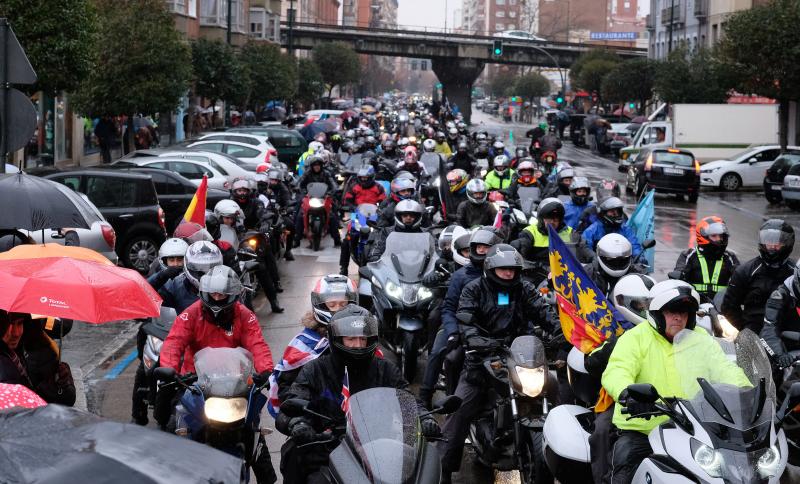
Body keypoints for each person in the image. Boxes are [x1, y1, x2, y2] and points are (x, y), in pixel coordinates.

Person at [602, 280, 751, 484]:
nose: (678, 317)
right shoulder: (635, 338)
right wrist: (627, 394)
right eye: (671, 311)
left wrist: (746, 393)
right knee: (626, 466)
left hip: (695, 429)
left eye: (684, 312)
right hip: (644, 428)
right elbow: (617, 371)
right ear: (656, 314)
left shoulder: (702, 339)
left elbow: (725, 369)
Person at [281, 306, 439, 483]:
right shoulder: (315, 370)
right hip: (328, 448)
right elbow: (292, 404)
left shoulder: (385, 369)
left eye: (362, 339)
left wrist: (425, 419)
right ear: (336, 340)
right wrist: (299, 424)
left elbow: (407, 401)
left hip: (381, 451)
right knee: (294, 455)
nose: (358, 345)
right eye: (351, 339)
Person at [439, 244, 548, 482]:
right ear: (491, 268)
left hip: (519, 355)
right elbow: (465, 318)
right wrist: (472, 337)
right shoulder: (474, 289)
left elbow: (543, 311)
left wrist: (559, 329)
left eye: (512, 269)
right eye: (503, 269)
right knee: (459, 411)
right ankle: (442, 469)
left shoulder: (524, 289)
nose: (509, 273)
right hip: (482, 358)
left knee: (551, 391)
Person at [419, 228, 501, 408]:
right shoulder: (461, 275)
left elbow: (511, 304)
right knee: (441, 353)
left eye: (487, 248)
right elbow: (448, 307)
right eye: (479, 248)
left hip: (493, 329)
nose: (483, 252)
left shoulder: (502, 274)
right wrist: (452, 331)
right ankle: (426, 395)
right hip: (460, 325)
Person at [268, 275, 358, 428]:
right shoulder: (304, 344)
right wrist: (299, 422)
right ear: (321, 305)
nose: (338, 309)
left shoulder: (363, 337)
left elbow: (383, 374)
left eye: (343, 304)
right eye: (332, 304)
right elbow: (287, 390)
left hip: (360, 423)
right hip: (318, 425)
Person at [722, 219, 795, 333]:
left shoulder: (795, 273)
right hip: (754, 333)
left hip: (786, 333)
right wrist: (745, 331)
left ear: (787, 244)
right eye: (769, 243)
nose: (772, 247)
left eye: (777, 243)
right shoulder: (745, 271)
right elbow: (729, 307)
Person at [232, 178, 285, 312]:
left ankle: (274, 298)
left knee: (263, 264)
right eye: (239, 190)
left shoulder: (257, 202)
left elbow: (264, 214)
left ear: (249, 191)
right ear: (234, 191)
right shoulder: (230, 204)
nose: (242, 193)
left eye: (244, 190)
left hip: (254, 236)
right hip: (236, 239)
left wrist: (265, 224)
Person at [512, 197, 590, 273]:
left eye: (556, 219)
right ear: (541, 219)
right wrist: (537, 265)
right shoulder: (530, 232)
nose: (552, 222)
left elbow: (584, 249)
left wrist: (593, 258)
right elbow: (522, 253)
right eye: (549, 219)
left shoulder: (570, 232)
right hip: (538, 275)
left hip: (565, 275)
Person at [673, 216, 739, 302]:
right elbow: (678, 277)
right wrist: (679, 275)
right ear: (703, 237)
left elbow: (740, 277)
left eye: (721, 236)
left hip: (721, 307)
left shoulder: (730, 257)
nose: (719, 239)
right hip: (695, 304)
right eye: (714, 236)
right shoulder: (688, 255)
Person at [159, 240, 223, 314]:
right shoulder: (173, 286)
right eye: (199, 268)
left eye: (211, 267)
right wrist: (160, 277)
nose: (205, 273)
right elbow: (151, 300)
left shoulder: (227, 286)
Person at [585, 234, 644, 298]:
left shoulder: (636, 275)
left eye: (622, 259)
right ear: (600, 256)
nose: (617, 263)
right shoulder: (588, 274)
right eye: (610, 259)